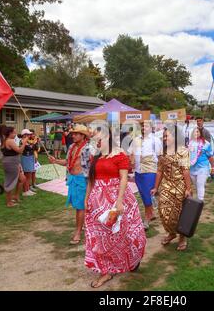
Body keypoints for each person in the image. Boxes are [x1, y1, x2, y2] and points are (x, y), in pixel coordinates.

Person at [84, 128, 146, 288]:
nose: (95, 139)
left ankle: (132, 258)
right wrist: (87, 199)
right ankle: (106, 271)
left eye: (97, 136)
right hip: (97, 202)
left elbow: (124, 178)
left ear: (107, 136)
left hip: (117, 198)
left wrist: (119, 201)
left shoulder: (120, 155)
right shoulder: (96, 156)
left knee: (124, 233)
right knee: (101, 237)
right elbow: (91, 180)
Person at [151, 126, 192, 251]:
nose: (164, 138)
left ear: (175, 137)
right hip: (166, 186)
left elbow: (185, 171)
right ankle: (171, 232)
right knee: (164, 212)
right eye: (163, 136)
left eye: (166, 136)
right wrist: (155, 187)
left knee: (180, 213)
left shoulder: (183, 151)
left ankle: (182, 236)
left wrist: (188, 188)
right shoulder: (162, 153)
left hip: (180, 185)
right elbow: (159, 171)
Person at [50, 124, 92, 245]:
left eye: (76, 134)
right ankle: (84, 225)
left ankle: (78, 232)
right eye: (73, 133)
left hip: (83, 180)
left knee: (80, 207)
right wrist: (56, 160)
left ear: (83, 136)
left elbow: (93, 166)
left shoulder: (89, 148)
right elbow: (68, 162)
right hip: (72, 179)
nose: (72, 135)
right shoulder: (71, 147)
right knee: (78, 206)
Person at [129, 121, 163, 230]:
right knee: (143, 194)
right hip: (138, 171)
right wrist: (132, 161)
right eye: (142, 125)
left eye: (146, 125)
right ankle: (151, 213)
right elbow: (131, 153)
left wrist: (160, 171)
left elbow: (160, 156)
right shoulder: (136, 139)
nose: (144, 127)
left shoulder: (155, 140)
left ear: (151, 128)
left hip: (150, 170)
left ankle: (146, 219)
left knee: (148, 194)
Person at [0, 126, 28, 207]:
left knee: (22, 179)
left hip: (14, 162)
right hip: (11, 163)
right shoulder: (10, 141)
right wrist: (25, 142)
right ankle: (9, 202)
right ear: (10, 133)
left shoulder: (6, 140)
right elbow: (20, 151)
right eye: (14, 132)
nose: (15, 134)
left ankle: (15, 196)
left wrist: (22, 142)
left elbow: (15, 149)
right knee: (10, 182)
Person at [189, 127, 214, 200]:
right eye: (194, 132)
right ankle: (198, 202)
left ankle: (200, 203)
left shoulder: (206, 144)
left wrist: (213, 168)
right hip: (192, 168)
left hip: (203, 168)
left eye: (197, 132)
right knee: (197, 186)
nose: (196, 133)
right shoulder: (189, 144)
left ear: (200, 133)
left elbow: (210, 157)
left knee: (200, 185)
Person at [20, 129, 37, 197]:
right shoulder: (22, 141)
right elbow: (29, 147)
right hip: (26, 158)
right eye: (28, 134)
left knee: (29, 174)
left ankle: (27, 189)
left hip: (30, 157)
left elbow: (33, 147)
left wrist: (34, 142)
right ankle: (25, 191)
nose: (29, 135)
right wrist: (34, 142)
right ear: (24, 135)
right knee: (27, 175)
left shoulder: (28, 141)